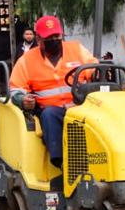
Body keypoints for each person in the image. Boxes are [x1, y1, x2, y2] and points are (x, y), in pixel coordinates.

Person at [8, 15, 96, 168]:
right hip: (52, 112)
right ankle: (62, 163)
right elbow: (16, 90)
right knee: (49, 115)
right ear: (39, 39)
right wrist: (23, 100)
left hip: (81, 107)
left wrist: (101, 73)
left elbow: (93, 68)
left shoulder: (76, 49)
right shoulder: (26, 60)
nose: (54, 40)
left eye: (56, 36)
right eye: (49, 38)